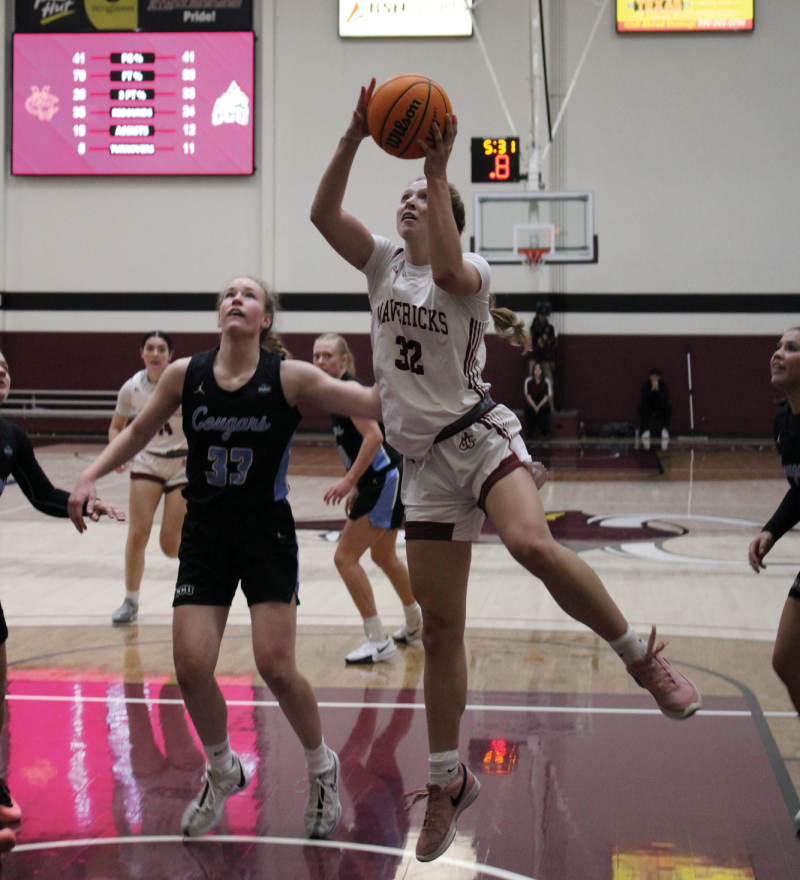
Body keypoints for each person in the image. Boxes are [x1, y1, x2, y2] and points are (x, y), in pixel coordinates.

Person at [311, 80, 702, 864]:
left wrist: (440, 163)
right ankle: (448, 780)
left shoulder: (474, 273)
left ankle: (639, 659)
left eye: (424, 197)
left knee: (531, 543)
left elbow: (450, 274)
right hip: (421, 466)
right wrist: (356, 135)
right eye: (406, 195)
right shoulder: (382, 264)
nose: (409, 203)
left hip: (477, 436)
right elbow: (323, 216)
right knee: (444, 629)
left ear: (450, 215)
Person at [68, 277, 384, 842]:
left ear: (265, 319)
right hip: (206, 529)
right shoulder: (184, 374)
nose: (235, 299)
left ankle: (321, 767)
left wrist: (428, 369)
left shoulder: (288, 376)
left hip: (265, 531)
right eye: (228, 294)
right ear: (219, 314)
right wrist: (91, 472)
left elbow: (368, 403)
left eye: (249, 294)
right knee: (190, 667)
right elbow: (139, 429)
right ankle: (222, 767)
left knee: (276, 666)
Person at [0, 349, 123, 853]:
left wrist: (82, 503)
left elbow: (41, 494)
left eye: (5, 366)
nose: (2, 373)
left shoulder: (10, 436)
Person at [312, 333, 422, 663]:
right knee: (384, 556)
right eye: (316, 356)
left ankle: (378, 639)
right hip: (379, 479)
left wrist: (349, 480)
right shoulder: (334, 392)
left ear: (343, 360)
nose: (319, 362)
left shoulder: (348, 391)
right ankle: (416, 623)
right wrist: (358, 482)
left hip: (384, 481)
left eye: (326, 356)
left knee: (344, 558)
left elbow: (373, 437)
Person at [748, 327, 800, 833]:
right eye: (779, 345)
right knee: (786, 659)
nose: (778, 354)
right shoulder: (785, 423)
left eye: (792, 347)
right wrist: (771, 530)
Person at [109, 330, 188, 625]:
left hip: (183, 462)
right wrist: (119, 452)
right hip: (148, 460)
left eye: (161, 349)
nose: (156, 354)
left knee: (170, 544)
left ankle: (203, 576)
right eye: (150, 348)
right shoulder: (132, 387)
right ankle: (130, 601)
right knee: (138, 532)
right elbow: (117, 428)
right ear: (141, 353)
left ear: (170, 354)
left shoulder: (183, 382)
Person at [639, 369, 672, 447]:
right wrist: (651, 391)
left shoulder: (663, 386)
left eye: (656, 376)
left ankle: (665, 430)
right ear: (650, 377)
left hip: (660, 407)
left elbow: (664, 398)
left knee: (668, 407)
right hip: (649, 407)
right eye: (653, 376)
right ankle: (645, 430)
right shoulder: (645, 386)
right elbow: (644, 398)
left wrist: (657, 390)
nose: (654, 378)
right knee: (643, 407)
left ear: (659, 377)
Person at [529, 304, 556, 394]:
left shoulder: (550, 328)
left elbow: (552, 345)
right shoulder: (534, 327)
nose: (543, 317)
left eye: (545, 315)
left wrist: (552, 359)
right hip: (534, 355)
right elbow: (532, 341)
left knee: (549, 381)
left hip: (546, 357)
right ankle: (532, 403)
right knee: (532, 380)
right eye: (541, 315)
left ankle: (550, 405)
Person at [524, 362, 551, 439]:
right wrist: (535, 407)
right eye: (536, 369)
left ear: (542, 371)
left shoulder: (546, 381)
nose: (537, 371)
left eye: (539, 369)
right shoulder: (528, 381)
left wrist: (538, 406)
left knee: (544, 409)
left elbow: (546, 396)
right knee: (528, 409)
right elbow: (528, 396)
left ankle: (544, 433)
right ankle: (530, 433)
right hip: (532, 402)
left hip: (542, 402)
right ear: (533, 371)